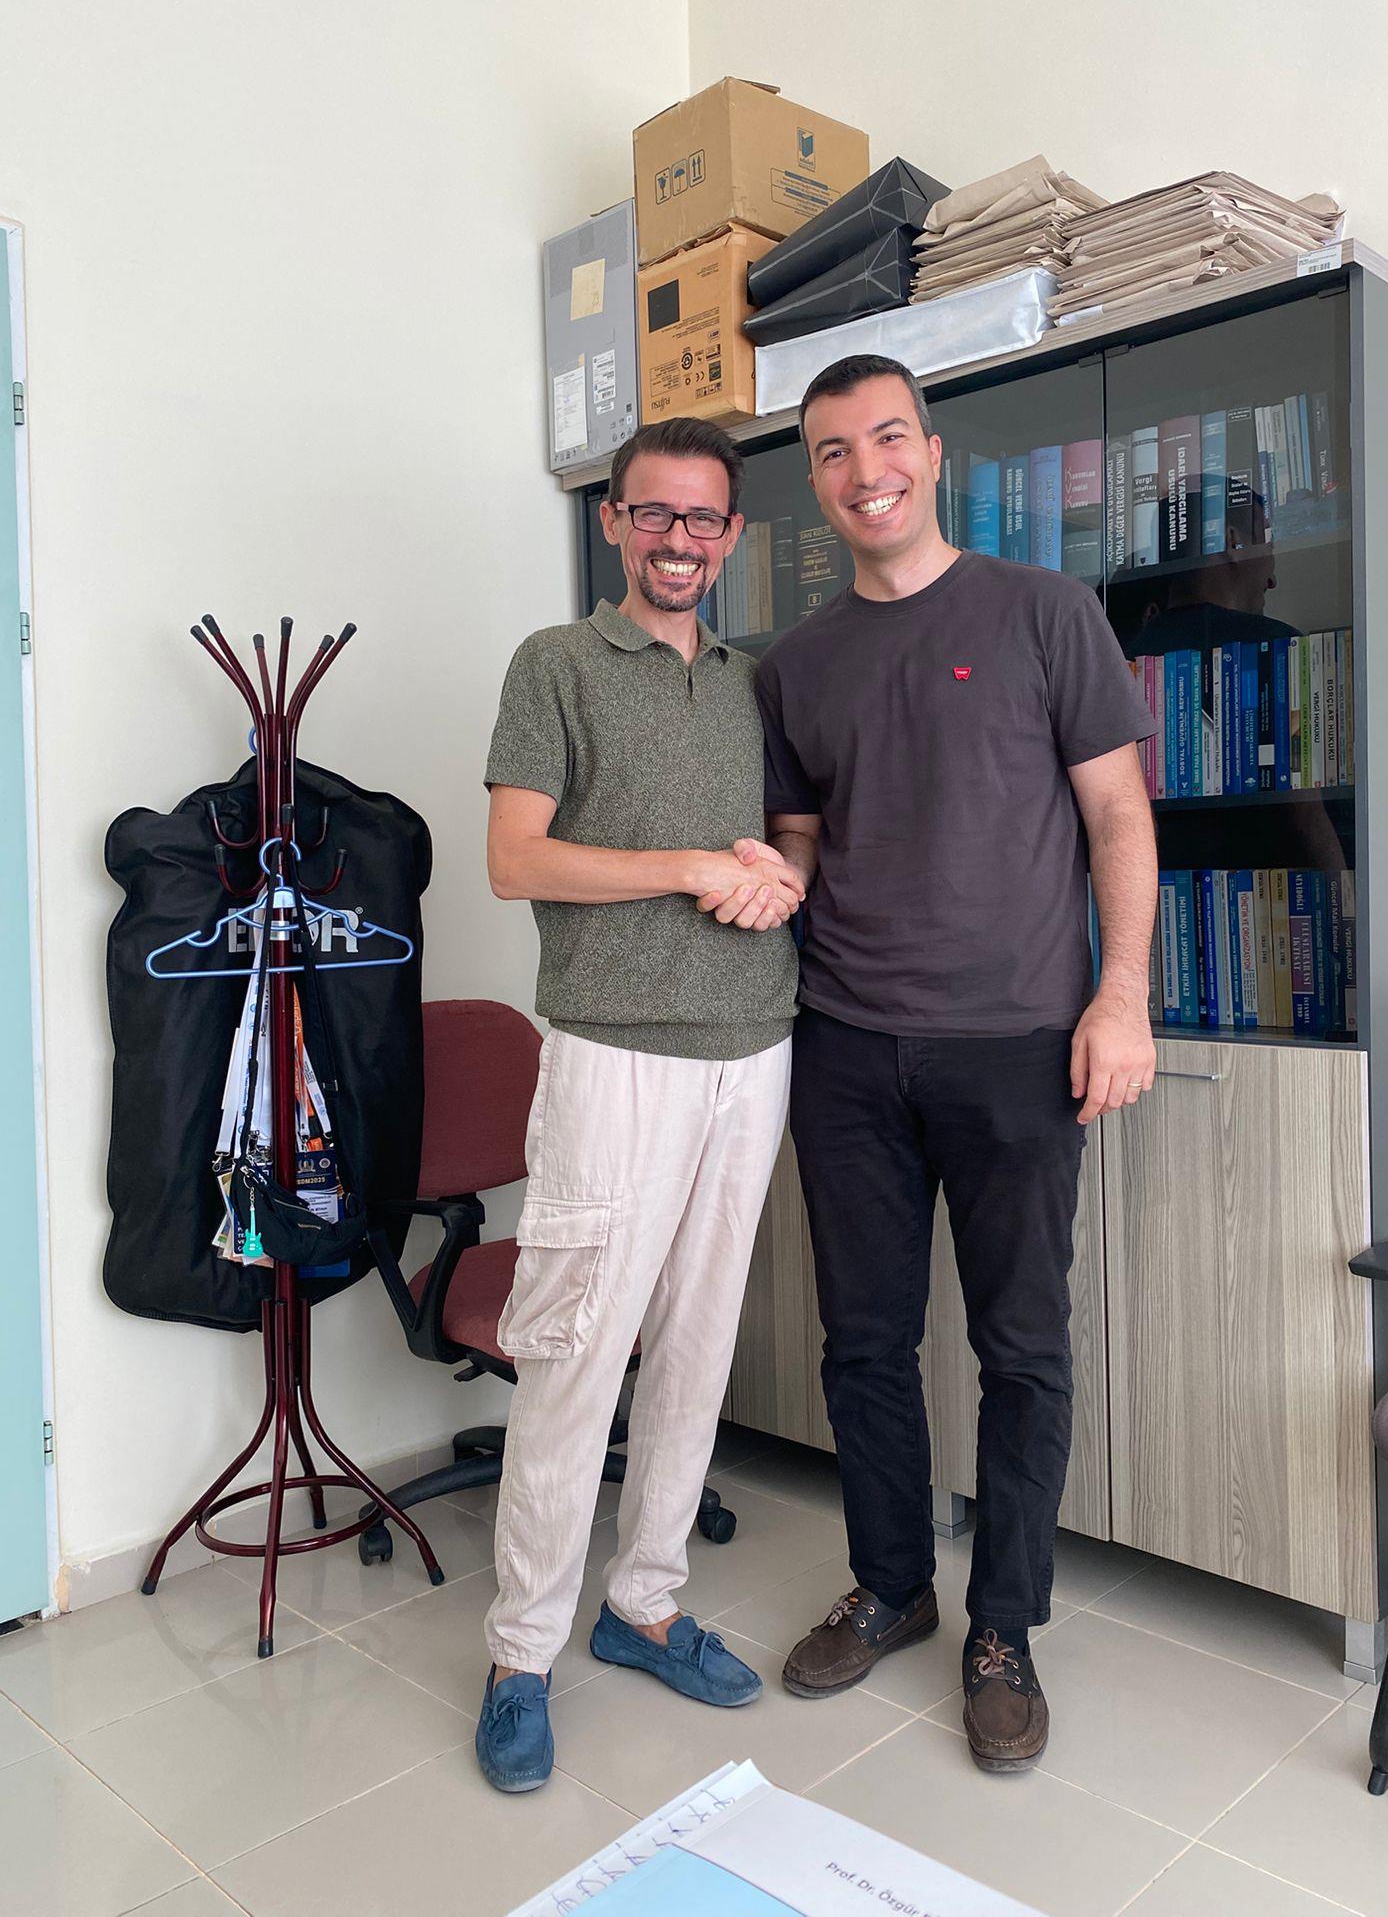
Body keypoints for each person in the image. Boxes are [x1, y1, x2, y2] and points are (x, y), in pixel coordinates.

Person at [748, 354, 1158, 1775]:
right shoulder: (796, 664)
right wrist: (752, 880)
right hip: (847, 1047)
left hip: (1020, 1046)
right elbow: (804, 843)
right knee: (863, 1341)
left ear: (932, 452)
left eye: (886, 439)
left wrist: (1121, 996)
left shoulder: (1045, 612)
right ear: (814, 480)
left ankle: (1004, 1629)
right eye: (832, 450)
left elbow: (1119, 818)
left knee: (1019, 1348)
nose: (865, 470)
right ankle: (892, 1586)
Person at [475, 416, 804, 1794]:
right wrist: (684, 865)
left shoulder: (753, 681)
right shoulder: (555, 663)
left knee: (697, 1345)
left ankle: (645, 1604)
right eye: (655, 513)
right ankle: (521, 1654)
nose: (680, 540)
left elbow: (785, 835)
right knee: (574, 1354)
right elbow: (515, 860)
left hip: (755, 1047)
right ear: (615, 521)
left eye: (703, 518)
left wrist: (780, 877)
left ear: (731, 535)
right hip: (614, 1053)